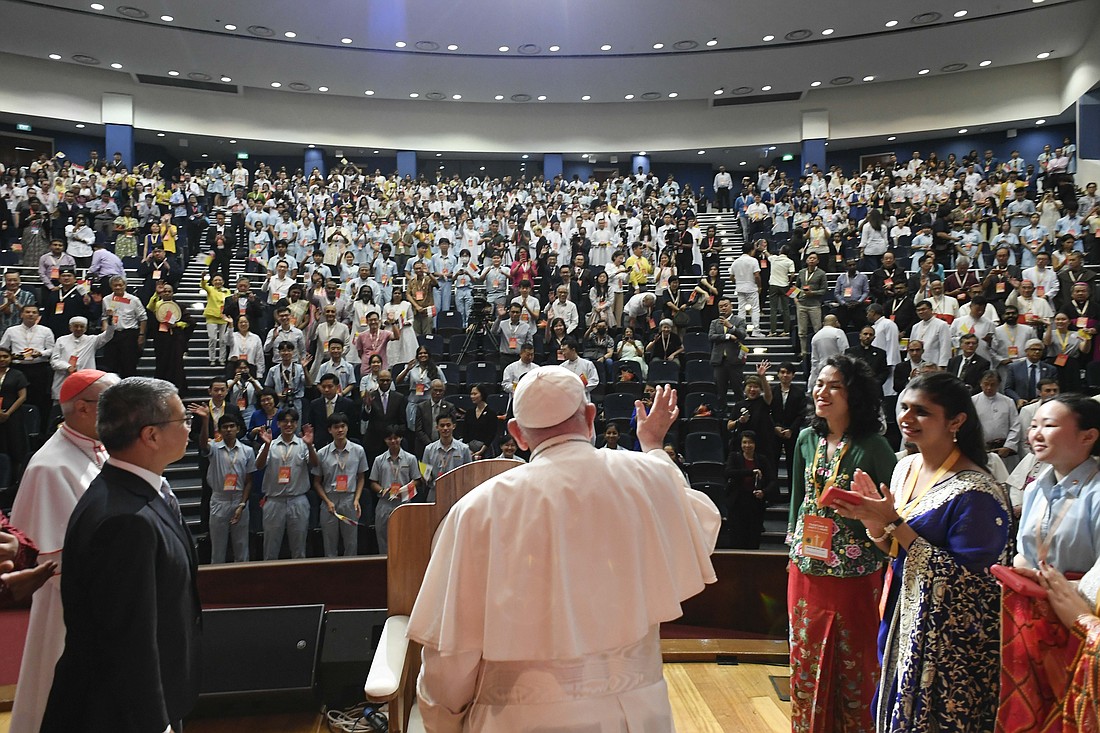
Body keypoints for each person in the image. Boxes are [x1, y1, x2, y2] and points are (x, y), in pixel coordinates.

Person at [406, 368, 720, 732]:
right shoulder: (647, 475)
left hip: (520, 718)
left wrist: (442, 718)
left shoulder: (478, 511)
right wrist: (651, 444)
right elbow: (694, 523)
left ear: (517, 434)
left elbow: (452, 657)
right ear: (590, 418)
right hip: (639, 714)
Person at [835, 371, 1008, 731]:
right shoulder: (905, 467)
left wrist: (893, 523)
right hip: (900, 613)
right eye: (903, 408)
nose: (907, 419)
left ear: (956, 421)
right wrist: (874, 522)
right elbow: (894, 549)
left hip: (946, 645)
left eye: (922, 412)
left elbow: (973, 586)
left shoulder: (976, 492)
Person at [40, 377, 200, 733]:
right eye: (183, 420)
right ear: (151, 435)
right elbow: (131, 639)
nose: (190, 427)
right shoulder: (126, 520)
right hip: (119, 713)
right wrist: (155, 722)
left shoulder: (132, 491)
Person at [786, 354, 896, 733]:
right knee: (806, 657)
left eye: (835, 386)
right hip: (805, 569)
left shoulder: (875, 446)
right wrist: (792, 546)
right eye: (820, 383)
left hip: (855, 574)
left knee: (854, 659)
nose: (823, 391)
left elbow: (893, 507)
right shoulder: (806, 438)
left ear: (856, 395)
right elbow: (800, 498)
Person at [9, 370, 117, 733]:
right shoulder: (49, 465)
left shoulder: (98, 450)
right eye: (111, 404)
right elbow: (50, 558)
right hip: (69, 608)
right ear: (84, 409)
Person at [997, 394, 1100, 731]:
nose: (1036, 433)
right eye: (1035, 424)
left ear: (1089, 435)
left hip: (1079, 617)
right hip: (1033, 617)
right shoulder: (1036, 487)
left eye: (1050, 425)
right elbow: (1026, 549)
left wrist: (1066, 592)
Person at [255, 407, 318, 560]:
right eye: (284, 421)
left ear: (296, 424)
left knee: (299, 548)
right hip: (274, 501)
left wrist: (310, 445)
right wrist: (267, 446)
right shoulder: (270, 444)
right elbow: (259, 466)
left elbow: (315, 464)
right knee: (270, 547)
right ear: (278, 424)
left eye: (292, 422)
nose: (288, 424)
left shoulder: (304, 444)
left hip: (298, 500)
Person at [194, 408, 255, 563]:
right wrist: (205, 420)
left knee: (241, 546)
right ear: (219, 430)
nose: (228, 430)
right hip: (219, 500)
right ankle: (218, 584)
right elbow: (202, 444)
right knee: (218, 547)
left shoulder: (247, 451)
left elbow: (249, 481)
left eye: (231, 426)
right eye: (225, 427)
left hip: (238, 500)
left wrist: (242, 504)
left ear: (238, 429)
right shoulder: (214, 447)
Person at [312, 412, 369, 558]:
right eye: (336, 427)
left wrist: (356, 499)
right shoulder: (322, 453)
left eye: (343, 426)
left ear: (347, 428)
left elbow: (361, 477)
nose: (340, 430)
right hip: (329, 500)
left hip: (349, 499)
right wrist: (327, 501)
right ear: (330, 430)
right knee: (329, 543)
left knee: (351, 543)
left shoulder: (358, 450)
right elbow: (317, 482)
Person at [368, 425, 422, 554]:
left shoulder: (410, 459)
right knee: (383, 541)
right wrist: (381, 491)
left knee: (405, 540)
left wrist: (405, 490)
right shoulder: (379, 460)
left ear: (401, 438)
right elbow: (373, 482)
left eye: (396, 438)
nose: (393, 441)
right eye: (389, 438)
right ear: (385, 440)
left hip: (404, 503)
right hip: (384, 504)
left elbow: (417, 480)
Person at [726, 430, 779, 549]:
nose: (747, 445)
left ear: (755, 444)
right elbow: (728, 473)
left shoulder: (762, 459)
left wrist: (764, 492)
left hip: (755, 502)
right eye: (744, 442)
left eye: (750, 442)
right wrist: (750, 472)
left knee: (753, 536)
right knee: (737, 535)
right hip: (737, 501)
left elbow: (772, 481)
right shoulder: (734, 457)